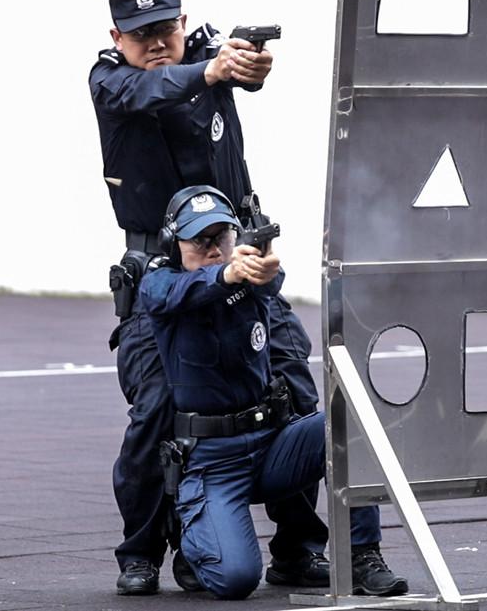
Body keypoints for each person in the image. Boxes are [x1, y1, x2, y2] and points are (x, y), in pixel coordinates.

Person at [89, 0, 323, 595]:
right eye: (140, 34)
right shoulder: (109, 80)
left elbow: (237, 69)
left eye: (165, 28)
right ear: (117, 38)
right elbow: (153, 89)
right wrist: (213, 70)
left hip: (238, 259)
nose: (155, 43)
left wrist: (248, 66)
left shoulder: (206, 52)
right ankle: (141, 552)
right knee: (156, 408)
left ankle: (301, 547)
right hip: (163, 275)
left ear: (183, 21)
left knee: (294, 386)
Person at [139, 185, 408, 599]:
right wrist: (226, 274)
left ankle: (360, 554)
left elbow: (269, 277)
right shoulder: (160, 283)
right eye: (199, 240)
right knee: (235, 580)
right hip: (214, 461)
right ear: (173, 245)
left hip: (269, 445)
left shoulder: (251, 275)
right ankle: (194, 538)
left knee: (347, 422)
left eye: (221, 237)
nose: (213, 249)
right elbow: (171, 293)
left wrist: (259, 268)